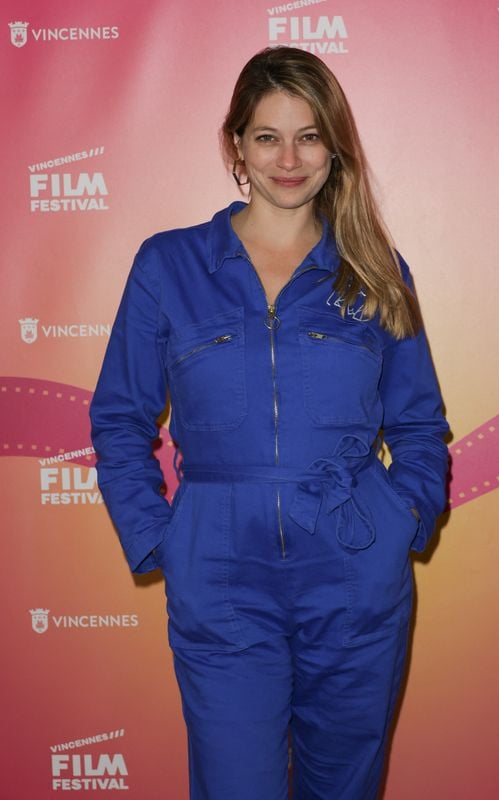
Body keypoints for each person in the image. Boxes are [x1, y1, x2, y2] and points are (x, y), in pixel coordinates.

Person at [90, 46, 450, 800]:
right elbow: (120, 416)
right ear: (236, 146)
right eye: (267, 137)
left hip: (355, 568)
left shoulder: (376, 270)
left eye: (309, 136)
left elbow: (419, 422)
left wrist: (403, 520)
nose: (289, 159)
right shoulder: (169, 265)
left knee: (342, 788)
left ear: (334, 148)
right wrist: (163, 538)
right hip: (220, 573)